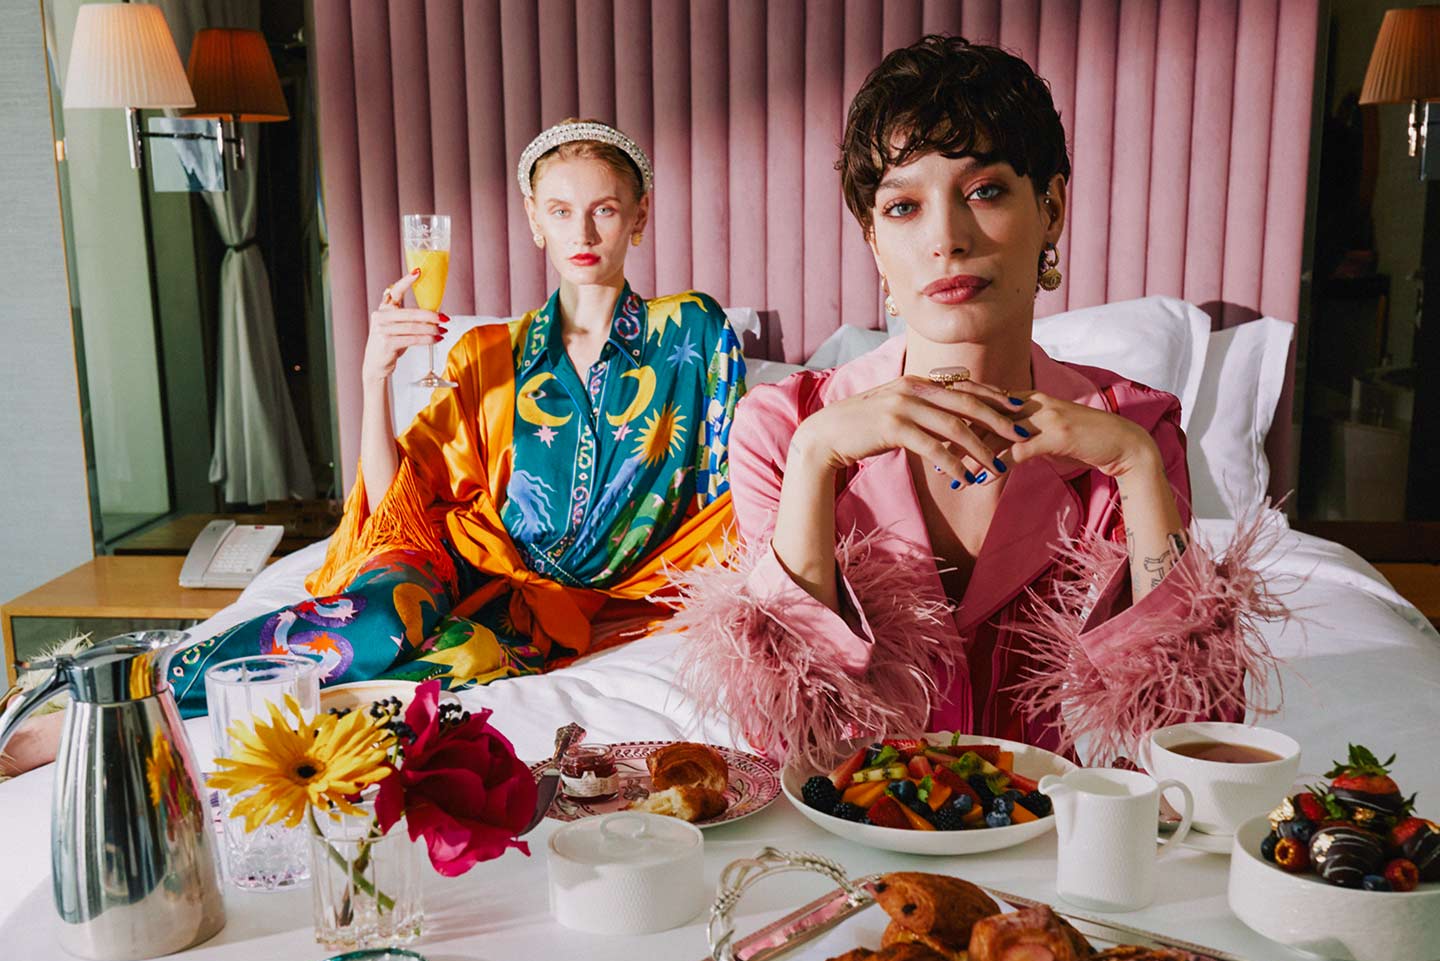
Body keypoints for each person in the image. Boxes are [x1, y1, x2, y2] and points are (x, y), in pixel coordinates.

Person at [678, 36, 1280, 766]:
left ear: (1051, 208)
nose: (948, 240)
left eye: (985, 191)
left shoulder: (1133, 430)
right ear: (874, 243)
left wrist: (1135, 467)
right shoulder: (787, 430)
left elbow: (1197, 731)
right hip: (856, 838)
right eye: (903, 208)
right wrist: (814, 461)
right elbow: (787, 741)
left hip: (1052, 840)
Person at [172, 119, 745, 714]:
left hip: (549, 609)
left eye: (603, 210)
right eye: (560, 210)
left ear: (639, 216)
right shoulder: (490, 352)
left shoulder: (691, 331)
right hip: (458, 555)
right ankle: (145, 688)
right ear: (534, 221)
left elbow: (730, 485)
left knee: (455, 664)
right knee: (374, 623)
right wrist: (375, 379)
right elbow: (396, 500)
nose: (582, 231)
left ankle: (280, 719)